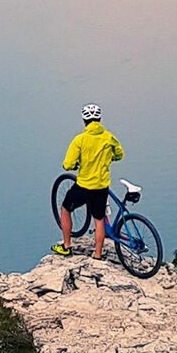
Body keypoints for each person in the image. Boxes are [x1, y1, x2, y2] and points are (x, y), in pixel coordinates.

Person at [55, 104, 123, 257]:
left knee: (66, 209)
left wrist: (72, 165)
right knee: (98, 219)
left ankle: (66, 246)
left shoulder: (80, 140)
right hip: (101, 186)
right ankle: (98, 254)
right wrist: (109, 158)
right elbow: (119, 155)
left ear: (84, 121)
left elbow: (68, 164)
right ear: (99, 119)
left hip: (84, 185)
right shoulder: (109, 137)